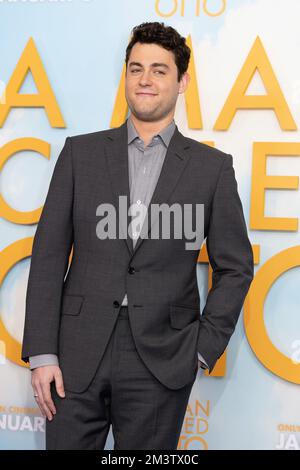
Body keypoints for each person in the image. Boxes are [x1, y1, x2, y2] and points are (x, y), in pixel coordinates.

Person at [21, 22, 254, 450]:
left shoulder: (212, 169)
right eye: (136, 68)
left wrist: (201, 350)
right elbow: (50, 255)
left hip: (164, 359)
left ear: (182, 81)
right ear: (125, 76)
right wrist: (42, 353)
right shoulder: (80, 154)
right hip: (74, 355)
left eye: (160, 70)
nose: (145, 79)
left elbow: (236, 268)